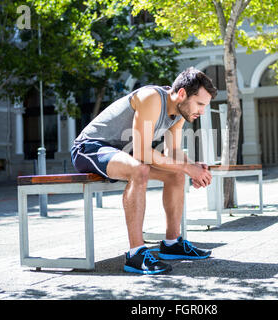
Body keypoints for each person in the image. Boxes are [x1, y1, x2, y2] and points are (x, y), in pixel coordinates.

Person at [71, 67, 218, 274]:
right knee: (139, 169)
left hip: (125, 155)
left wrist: (192, 167)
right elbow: (141, 152)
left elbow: (173, 152)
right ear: (183, 93)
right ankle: (135, 254)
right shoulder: (152, 97)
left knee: (175, 174)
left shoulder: (179, 112)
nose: (201, 111)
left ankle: (172, 243)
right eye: (200, 104)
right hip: (91, 148)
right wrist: (188, 168)